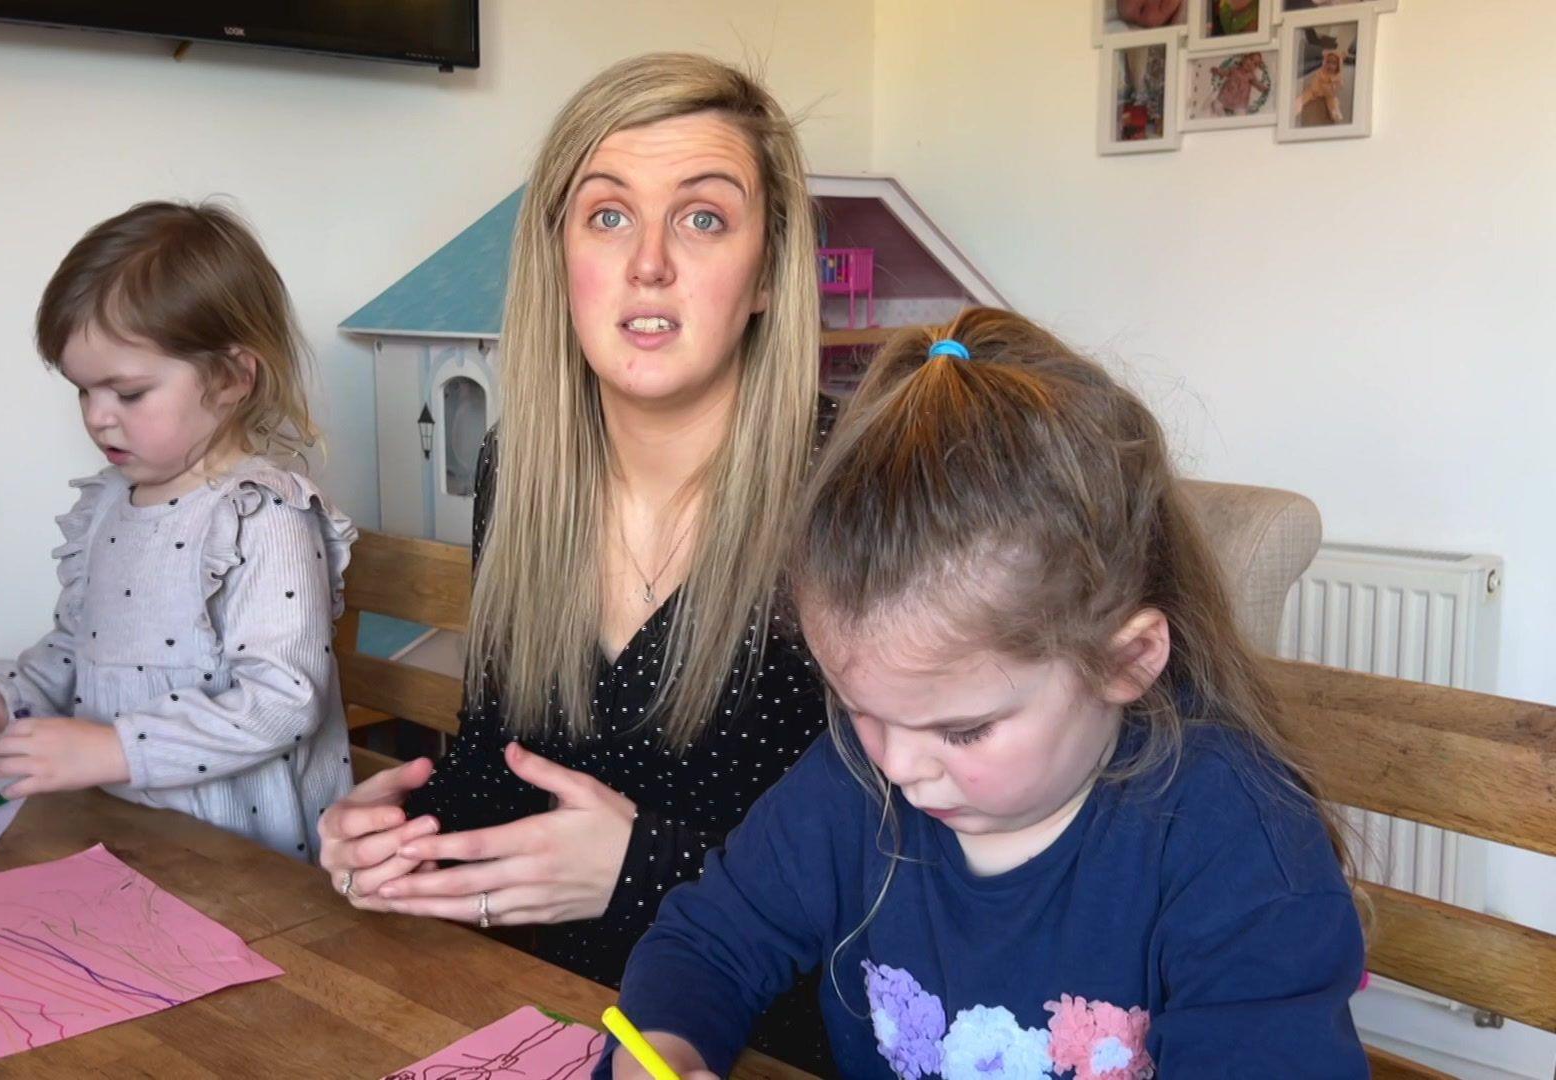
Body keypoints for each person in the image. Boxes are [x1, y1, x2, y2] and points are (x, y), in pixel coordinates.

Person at [606, 309, 1367, 1079]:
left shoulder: (1232, 834)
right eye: (859, 708)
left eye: (963, 732)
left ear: (1126, 659)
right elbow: (708, 945)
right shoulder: (850, 782)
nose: (900, 765)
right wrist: (662, 1051)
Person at [317, 52, 836, 1068]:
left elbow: (930, 883)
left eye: (702, 217)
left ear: (769, 273)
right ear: (559, 256)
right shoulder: (521, 468)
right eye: (607, 215)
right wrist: (402, 832)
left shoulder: (856, 498)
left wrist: (648, 869)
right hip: (531, 1008)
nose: (648, 262)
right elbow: (505, 760)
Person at [0, 200, 356, 860]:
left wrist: (118, 748)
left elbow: (283, 702)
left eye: (129, 393)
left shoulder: (264, 517)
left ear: (231, 377)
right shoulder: (110, 506)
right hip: (123, 835)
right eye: (83, 391)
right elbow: (75, 652)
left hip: (242, 861)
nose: (98, 418)